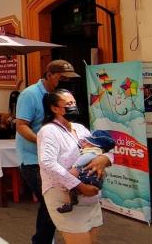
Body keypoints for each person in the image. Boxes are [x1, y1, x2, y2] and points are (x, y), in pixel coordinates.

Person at [15, 59, 80, 244]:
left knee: (53, 202)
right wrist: (44, 143)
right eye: (62, 77)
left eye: (69, 78)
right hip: (33, 159)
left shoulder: (63, 96)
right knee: (51, 201)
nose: (66, 81)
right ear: (50, 75)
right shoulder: (30, 95)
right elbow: (21, 125)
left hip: (57, 159)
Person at [38, 89, 113, 243]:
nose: (73, 106)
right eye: (68, 104)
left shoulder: (80, 128)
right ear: (55, 108)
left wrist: (104, 159)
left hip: (90, 199)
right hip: (64, 196)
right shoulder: (49, 131)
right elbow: (47, 163)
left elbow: (102, 148)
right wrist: (78, 185)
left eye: (74, 102)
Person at [56, 130, 115, 213]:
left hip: (88, 176)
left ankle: (68, 203)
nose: (83, 144)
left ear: (94, 145)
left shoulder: (91, 152)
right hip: (94, 179)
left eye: (87, 142)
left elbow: (83, 160)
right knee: (75, 187)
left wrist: (75, 167)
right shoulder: (98, 152)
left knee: (68, 184)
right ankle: (73, 198)